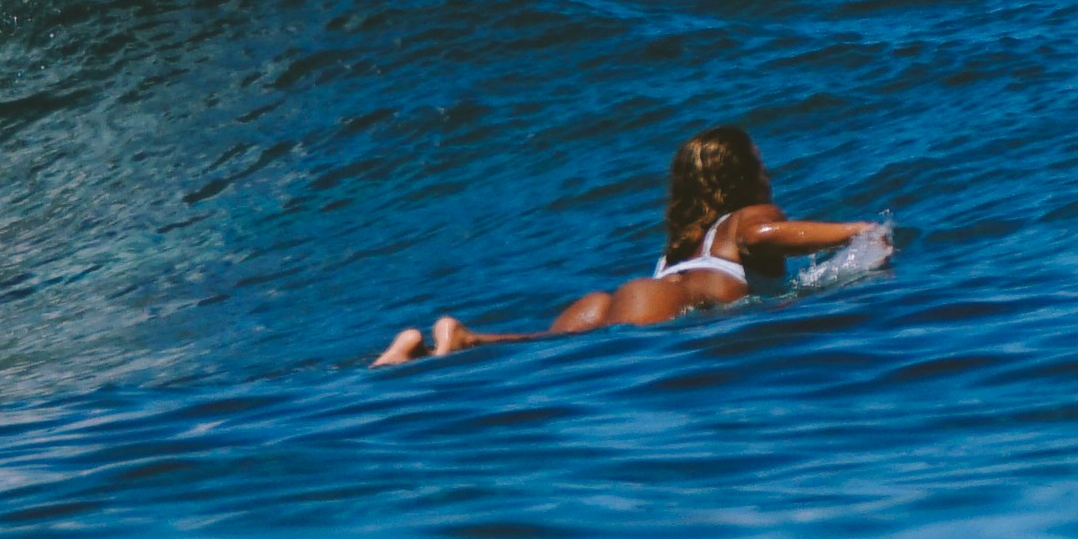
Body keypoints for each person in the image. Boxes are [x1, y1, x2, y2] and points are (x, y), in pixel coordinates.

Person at [374, 125, 892, 367]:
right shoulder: (748, 217)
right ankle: (444, 345)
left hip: (622, 296)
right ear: (741, 176)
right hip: (663, 302)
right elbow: (765, 236)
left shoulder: (684, 243)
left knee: (546, 350)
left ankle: (454, 342)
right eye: (759, 162)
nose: (769, 170)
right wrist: (853, 231)